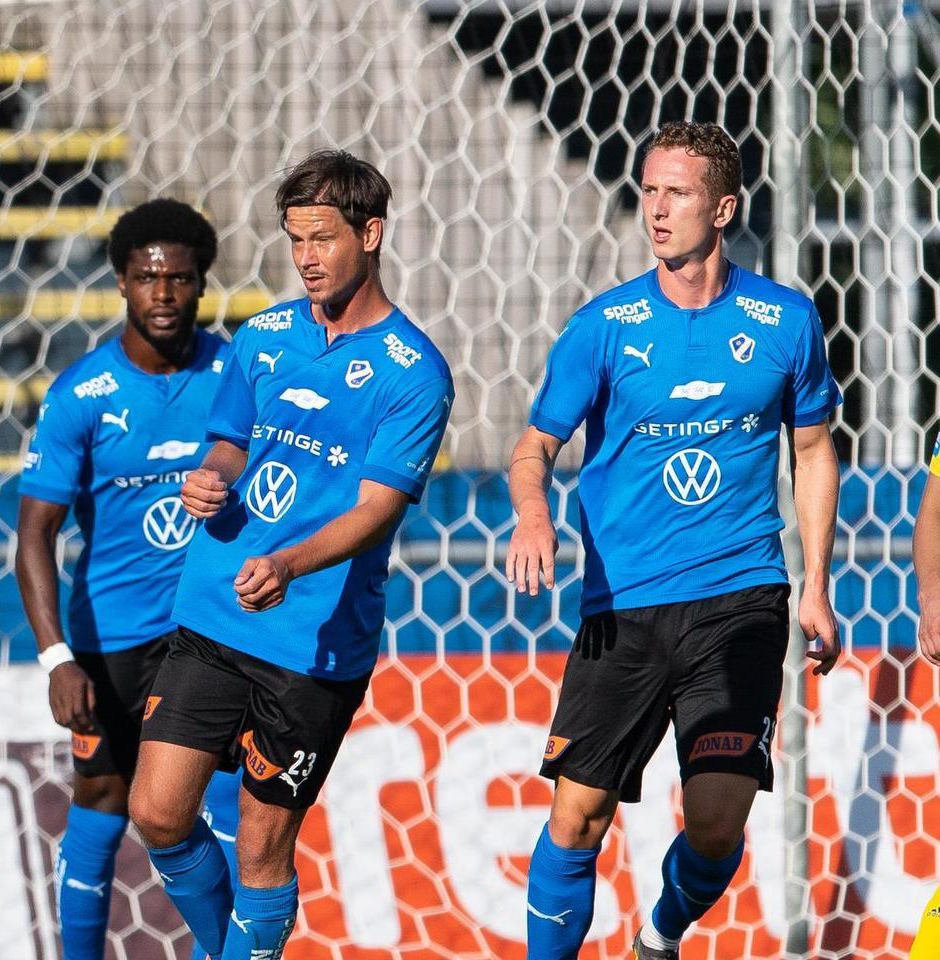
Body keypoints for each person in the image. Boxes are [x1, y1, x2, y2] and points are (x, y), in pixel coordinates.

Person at [506, 120, 842, 960]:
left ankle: (658, 937)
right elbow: (533, 447)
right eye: (650, 191)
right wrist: (534, 514)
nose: (657, 210)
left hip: (741, 598)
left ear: (723, 207)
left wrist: (819, 585)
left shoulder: (785, 320)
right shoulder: (604, 325)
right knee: (576, 817)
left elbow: (810, 450)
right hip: (622, 606)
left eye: (678, 193)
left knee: (720, 822)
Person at [129, 150, 455, 960]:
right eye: (295, 240)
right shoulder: (264, 335)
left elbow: (378, 509)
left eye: (322, 238)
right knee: (159, 812)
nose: (306, 258)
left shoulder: (415, 372)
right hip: (216, 606)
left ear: (370, 234)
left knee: (263, 844)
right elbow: (229, 443)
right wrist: (208, 480)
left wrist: (290, 566)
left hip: (311, 642)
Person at [15, 199, 243, 960]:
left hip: (208, 635)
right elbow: (34, 535)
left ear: (202, 286)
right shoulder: (81, 395)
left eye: (180, 279)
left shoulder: (235, 374)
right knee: (103, 799)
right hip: (109, 637)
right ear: (120, 282)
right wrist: (58, 659)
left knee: (219, 800)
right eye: (149, 278)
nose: (165, 294)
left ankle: (233, 951)